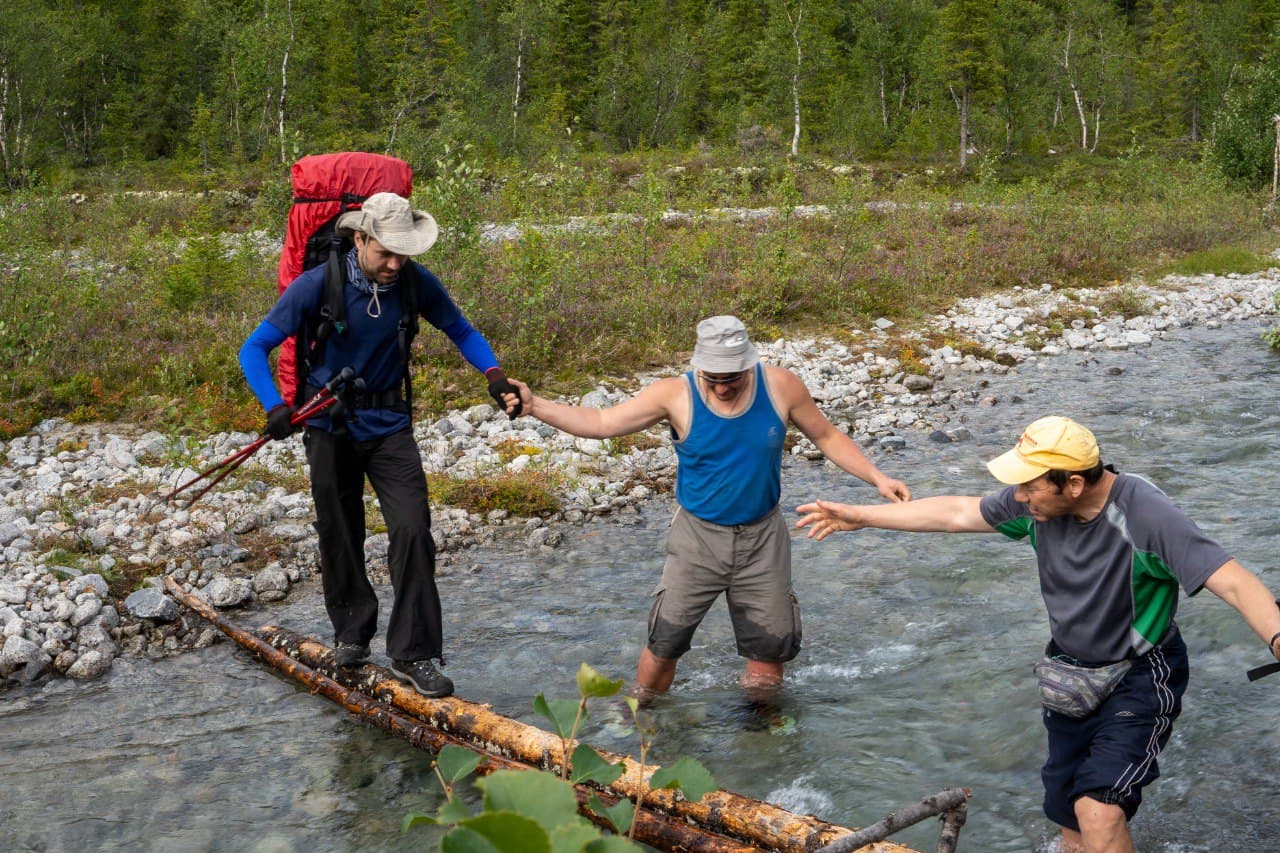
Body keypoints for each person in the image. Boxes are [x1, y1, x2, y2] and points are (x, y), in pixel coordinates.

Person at [796, 415, 1280, 853]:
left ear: (1072, 483)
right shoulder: (1037, 504)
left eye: (1029, 487)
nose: (1020, 498)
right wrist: (860, 516)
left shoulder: (1146, 515)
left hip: (1140, 675)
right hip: (1068, 674)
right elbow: (956, 513)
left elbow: (1234, 582)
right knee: (1070, 821)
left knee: (1099, 810)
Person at [511, 315, 911, 698]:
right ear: (699, 367)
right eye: (713, 379)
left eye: (732, 379)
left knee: (769, 650)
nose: (722, 388)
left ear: (749, 364)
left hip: (763, 540)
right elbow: (601, 422)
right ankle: (640, 714)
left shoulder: (781, 387)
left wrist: (878, 478)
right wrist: (535, 406)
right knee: (665, 642)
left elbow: (826, 436)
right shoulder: (673, 394)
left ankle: (760, 737)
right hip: (697, 539)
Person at [239, 192, 520, 698]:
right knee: (339, 531)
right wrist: (274, 406)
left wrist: (495, 376)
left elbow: (461, 329)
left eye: (403, 254)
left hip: (390, 425)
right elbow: (253, 347)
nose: (394, 264)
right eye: (385, 253)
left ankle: (414, 654)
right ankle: (352, 634)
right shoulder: (315, 286)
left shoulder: (413, 282)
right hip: (328, 425)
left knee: (413, 528)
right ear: (360, 238)